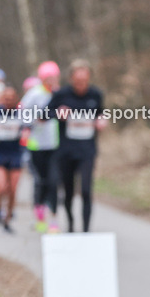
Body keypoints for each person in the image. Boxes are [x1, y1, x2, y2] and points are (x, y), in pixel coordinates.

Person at [48, 59, 104, 232]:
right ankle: (71, 223)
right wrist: (58, 113)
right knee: (69, 191)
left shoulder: (96, 94)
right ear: (71, 78)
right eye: (78, 81)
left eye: (84, 81)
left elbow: (101, 113)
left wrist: (102, 120)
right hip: (66, 151)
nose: (81, 85)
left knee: (86, 190)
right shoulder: (61, 95)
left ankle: (86, 230)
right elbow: (44, 114)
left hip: (87, 150)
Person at [22, 61, 61, 233]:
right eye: (48, 77)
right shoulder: (33, 94)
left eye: (54, 77)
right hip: (36, 145)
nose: (52, 80)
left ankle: (53, 220)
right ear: (42, 78)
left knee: (53, 182)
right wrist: (36, 119)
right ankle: (39, 218)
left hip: (55, 145)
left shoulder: (59, 94)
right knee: (40, 182)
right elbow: (22, 114)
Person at [0, 86, 25, 233]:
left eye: (11, 98)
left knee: (13, 189)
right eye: (5, 98)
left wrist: (25, 135)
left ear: (16, 99)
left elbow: (27, 128)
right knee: (1, 186)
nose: (8, 101)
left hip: (15, 153)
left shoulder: (21, 113)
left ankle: (7, 218)